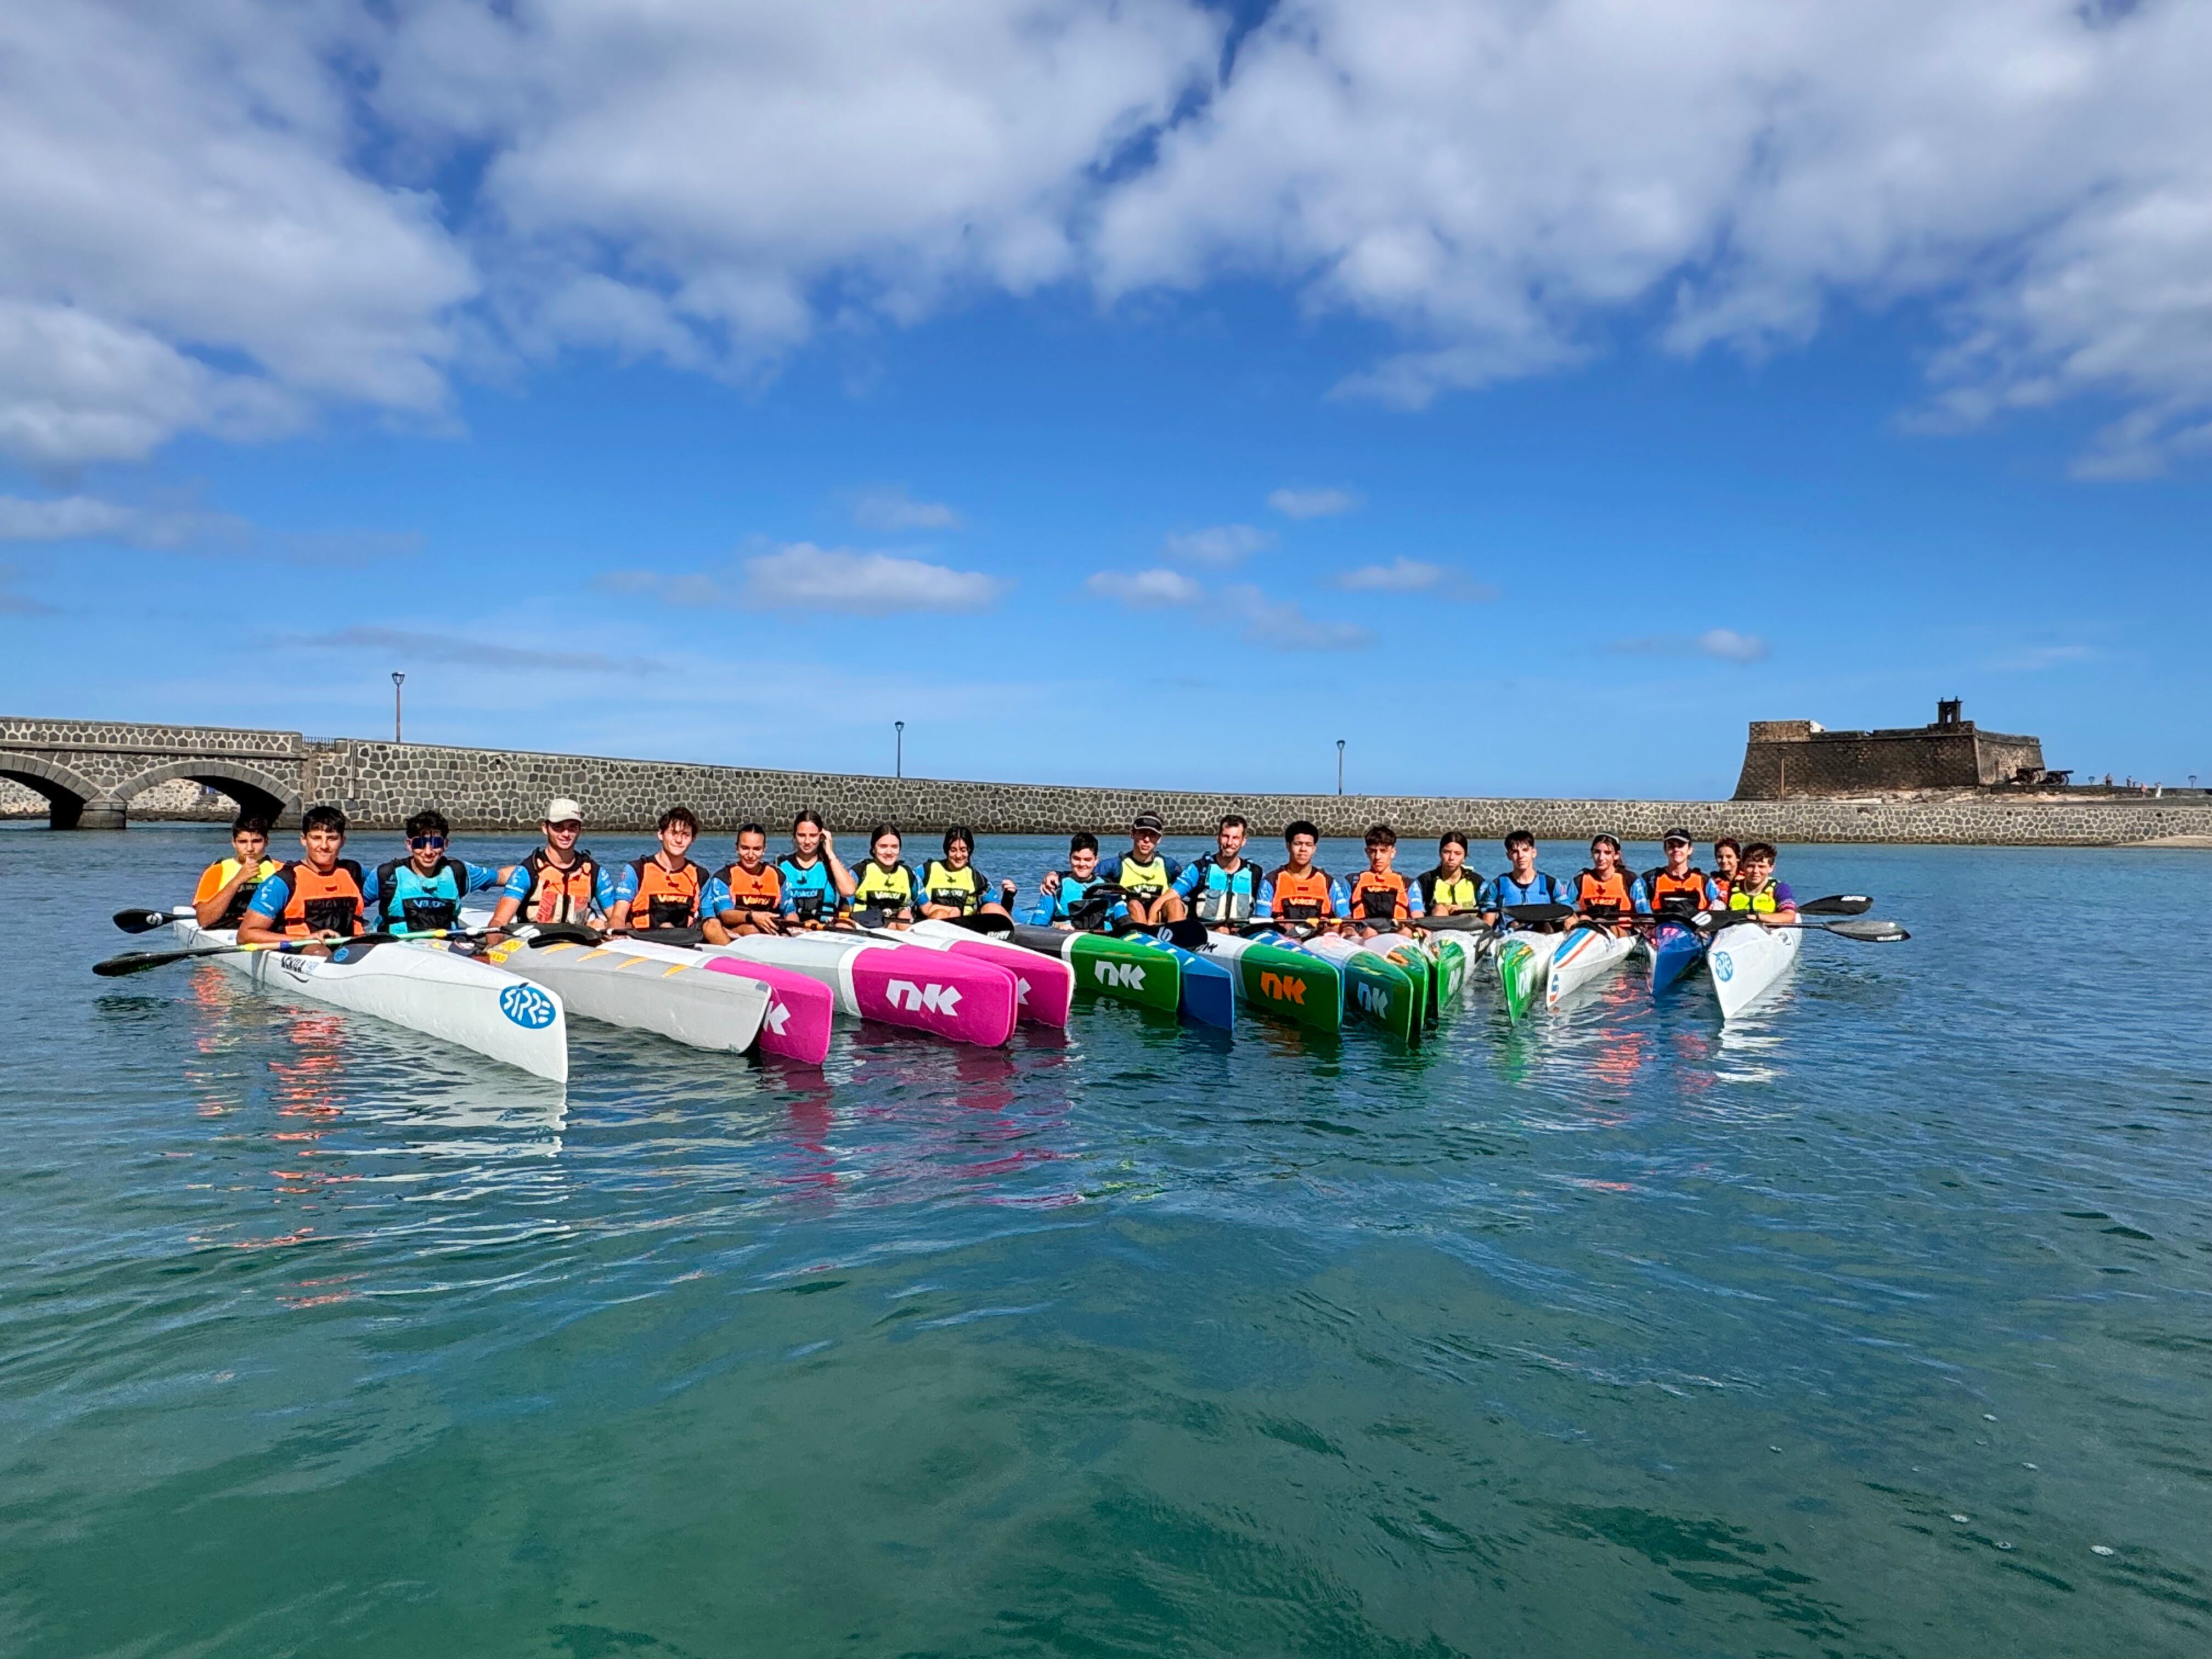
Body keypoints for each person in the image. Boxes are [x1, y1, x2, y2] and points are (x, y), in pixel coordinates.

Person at [359, 809, 512, 937]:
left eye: (436, 844)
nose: (428, 852)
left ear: (446, 844)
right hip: (397, 953)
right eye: (420, 844)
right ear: (409, 845)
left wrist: (533, 872)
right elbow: (355, 909)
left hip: (443, 952)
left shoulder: (458, 872)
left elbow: (504, 877)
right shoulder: (386, 875)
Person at [235, 805, 365, 951]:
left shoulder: (354, 872)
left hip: (350, 947)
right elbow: (245, 935)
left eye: (332, 839)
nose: (324, 846)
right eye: (316, 838)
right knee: (317, 950)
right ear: (304, 840)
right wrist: (305, 939)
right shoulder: (283, 882)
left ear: (342, 841)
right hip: (303, 950)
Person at [489, 798, 616, 933]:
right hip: (535, 946)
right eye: (558, 827)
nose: (566, 834)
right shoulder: (527, 872)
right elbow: (499, 922)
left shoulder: (595, 873)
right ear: (545, 828)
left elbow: (617, 919)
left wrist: (607, 927)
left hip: (579, 946)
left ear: (580, 829)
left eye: (572, 827)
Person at [606, 806, 713, 936]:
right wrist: (617, 936)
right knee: (666, 926)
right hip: (642, 940)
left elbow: (709, 917)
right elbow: (618, 916)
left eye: (685, 835)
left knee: (713, 925)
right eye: (673, 833)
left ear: (693, 839)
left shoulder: (700, 875)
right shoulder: (637, 870)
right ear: (661, 835)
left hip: (685, 943)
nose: (679, 840)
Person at [1172, 814, 1265, 927]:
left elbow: (1264, 914)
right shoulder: (1200, 868)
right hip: (1205, 934)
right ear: (1218, 838)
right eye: (1226, 836)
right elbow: (1167, 899)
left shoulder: (1256, 873)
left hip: (1240, 936)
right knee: (1174, 903)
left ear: (1244, 841)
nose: (1230, 843)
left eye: (1235, 838)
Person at [191, 814, 280, 929]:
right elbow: (204, 920)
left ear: (266, 842)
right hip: (227, 929)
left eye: (256, 841)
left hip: (266, 930)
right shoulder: (217, 871)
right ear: (234, 843)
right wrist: (237, 880)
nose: (250, 849)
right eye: (243, 842)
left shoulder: (280, 869)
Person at [1097, 812, 1186, 925]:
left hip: (1160, 919)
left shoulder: (1170, 866)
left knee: (1175, 903)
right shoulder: (1114, 866)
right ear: (1132, 833)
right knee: (1135, 904)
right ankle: (1142, 939)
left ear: (1159, 839)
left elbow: (1189, 888)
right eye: (1142, 834)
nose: (1147, 840)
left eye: (1153, 835)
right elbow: (1087, 881)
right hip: (1131, 919)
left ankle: (1181, 937)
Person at [1257, 819, 1347, 927]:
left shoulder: (1329, 882)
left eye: (1308, 845)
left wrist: (1348, 930)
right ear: (1288, 846)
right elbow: (1261, 921)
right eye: (1298, 844)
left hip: (1319, 938)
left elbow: (1346, 918)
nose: (1303, 849)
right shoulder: (1271, 881)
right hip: (1283, 938)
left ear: (1314, 849)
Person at [702, 822, 786, 938]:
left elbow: (790, 913)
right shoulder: (724, 877)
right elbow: (725, 915)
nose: (750, 855)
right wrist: (753, 916)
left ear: (764, 849)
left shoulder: (778, 876)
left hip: (771, 932)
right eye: (745, 848)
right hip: (736, 933)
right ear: (737, 848)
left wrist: (794, 929)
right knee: (752, 930)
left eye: (757, 849)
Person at [1027, 833, 1126, 929]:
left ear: (1096, 861)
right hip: (1065, 938)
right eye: (1077, 859)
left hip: (1104, 939)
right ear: (1070, 859)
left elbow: (1124, 919)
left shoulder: (1109, 887)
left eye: (1087, 860)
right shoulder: (1054, 886)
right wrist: (1055, 926)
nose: (1082, 864)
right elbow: (1037, 925)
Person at [776, 810, 855, 930]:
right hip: (792, 929)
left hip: (825, 929)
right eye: (802, 835)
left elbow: (848, 891)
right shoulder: (781, 866)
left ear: (821, 836)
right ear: (794, 836)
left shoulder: (831, 865)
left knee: (846, 926)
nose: (807, 842)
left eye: (813, 836)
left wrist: (830, 852)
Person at [918, 825, 1014, 921]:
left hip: (967, 928)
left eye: (963, 850)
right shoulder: (926, 871)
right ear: (946, 850)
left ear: (969, 851)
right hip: (932, 925)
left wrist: (1008, 897)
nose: (958, 855)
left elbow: (999, 909)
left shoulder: (978, 880)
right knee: (941, 914)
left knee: (991, 907)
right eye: (953, 850)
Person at [1481, 829, 1572, 928]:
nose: (1521, 856)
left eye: (1525, 850)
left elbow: (1569, 917)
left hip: (1543, 939)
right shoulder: (1498, 885)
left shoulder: (1551, 884)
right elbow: (1487, 924)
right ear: (1509, 856)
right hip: (1509, 938)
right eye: (1515, 852)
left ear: (1534, 853)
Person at [1344, 822, 1423, 935]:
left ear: (1393, 853)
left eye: (1383, 851)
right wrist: (1348, 928)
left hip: (1397, 930)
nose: (1378, 857)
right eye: (1373, 851)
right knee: (1369, 932)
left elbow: (1417, 913)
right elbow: (1343, 913)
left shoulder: (1408, 884)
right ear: (1367, 852)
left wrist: (1420, 927)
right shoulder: (1352, 881)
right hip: (1365, 931)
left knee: (1406, 932)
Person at [1570, 834, 1649, 931]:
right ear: (1592, 852)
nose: (1601, 858)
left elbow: (1644, 913)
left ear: (1616, 855)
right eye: (1597, 852)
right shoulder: (1580, 880)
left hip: (1623, 934)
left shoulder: (1630, 880)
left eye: (1607, 853)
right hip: (1589, 930)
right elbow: (1563, 905)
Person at [847, 825, 920, 928]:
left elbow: (926, 908)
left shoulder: (909, 874)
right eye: (883, 846)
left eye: (894, 847)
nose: (889, 852)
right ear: (873, 849)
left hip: (899, 928)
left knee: (904, 916)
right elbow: (845, 909)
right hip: (864, 926)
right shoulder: (858, 872)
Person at [1642, 827, 1720, 919]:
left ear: (1690, 850)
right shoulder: (1650, 879)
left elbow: (1719, 906)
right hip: (1661, 929)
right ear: (1665, 850)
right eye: (1671, 846)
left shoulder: (1705, 881)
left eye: (1681, 845)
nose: (1676, 849)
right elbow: (1638, 905)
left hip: (1694, 931)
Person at [1414, 831, 1485, 918]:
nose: (1451, 858)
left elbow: (1488, 909)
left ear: (1464, 857)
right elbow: (1416, 911)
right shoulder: (1425, 881)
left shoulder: (1477, 882)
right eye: (1447, 852)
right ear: (1440, 854)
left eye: (1458, 853)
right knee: (1439, 909)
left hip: (1469, 928)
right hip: (1436, 928)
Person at [1725, 842, 1798, 925]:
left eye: (1761, 867)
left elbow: (1790, 917)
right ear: (1742, 866)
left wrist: (1757, 917)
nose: (1755, 871)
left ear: (1771, 868)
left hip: (1767, 933)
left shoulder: (1780, 888)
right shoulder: (1730, 888)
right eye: (1751, 866)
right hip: (1735, 932)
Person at [1709, 837, 1742, 905]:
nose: (1724, 861)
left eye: (1729, 857)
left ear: (1738, 858)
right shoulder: (1712, 883)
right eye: (1720, 857)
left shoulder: (1748, 880)